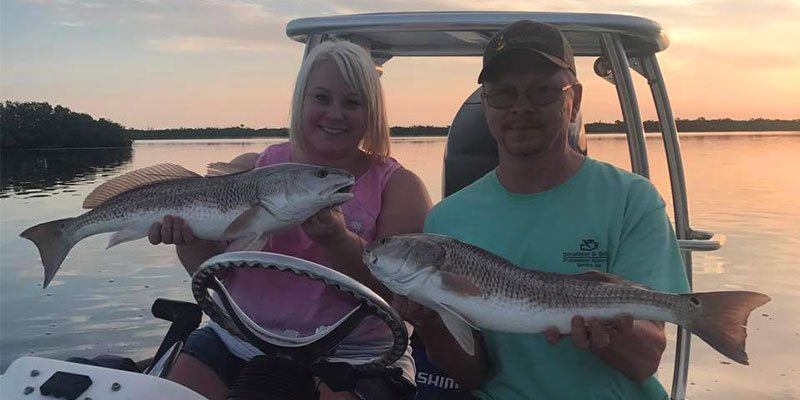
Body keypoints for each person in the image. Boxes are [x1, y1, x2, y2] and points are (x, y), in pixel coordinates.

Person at [394, 20, 690, 399]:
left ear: (575, 100)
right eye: (503, 94)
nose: (521, 108)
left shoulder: (632, 199)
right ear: (485, 104)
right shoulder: (447, 221)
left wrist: (609, 334)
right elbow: (472, 374)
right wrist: (430, 322)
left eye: (543, 92)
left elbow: (644, 360)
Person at [148, 40, 432, 400]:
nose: (335, 114)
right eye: (321, 98)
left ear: (372, 112)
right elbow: (209, 271)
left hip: (357, 357)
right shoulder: (249, 171)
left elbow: (403, 294)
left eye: (353, 102)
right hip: (237, 339)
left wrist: (338, 241)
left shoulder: (399, 187)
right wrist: (188, 241)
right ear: (301, 100)